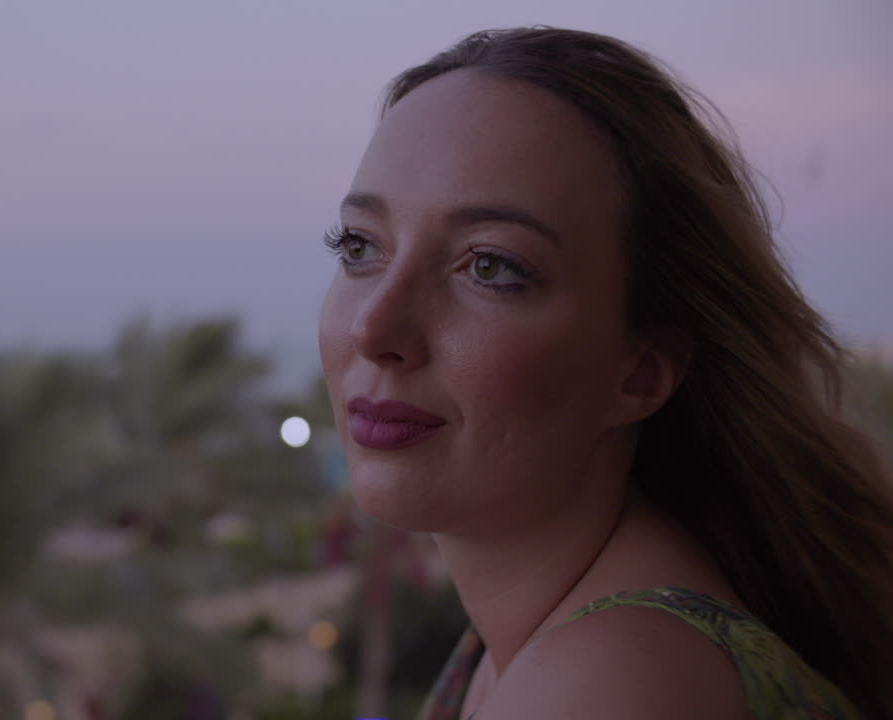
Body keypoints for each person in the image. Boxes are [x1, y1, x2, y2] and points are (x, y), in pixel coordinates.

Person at [317, 27, 893, 720]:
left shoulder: (610, 682)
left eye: (491, 266)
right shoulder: (547, 640)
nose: (374, 330)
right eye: (359, 246)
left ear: (640, 373)